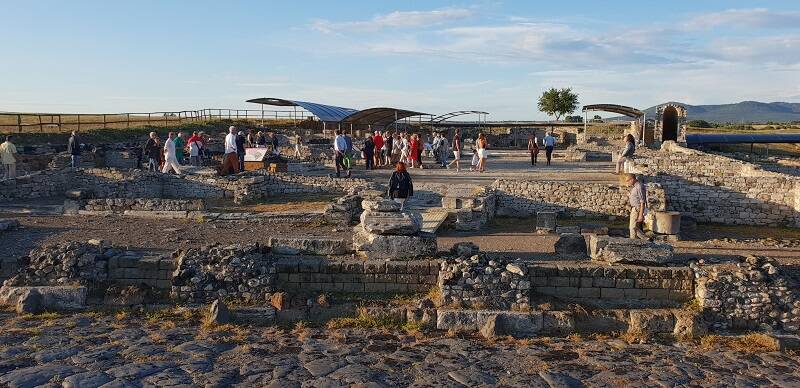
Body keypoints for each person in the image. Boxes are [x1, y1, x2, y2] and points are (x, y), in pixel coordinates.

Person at [623, 173, 648, 240]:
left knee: (632, 228)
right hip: (636, 209)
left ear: (632, 179)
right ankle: (645, 239)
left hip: (637, 209)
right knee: (636, 228)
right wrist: (630, 194)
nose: (627, 182)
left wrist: (640, 215)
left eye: (628, 180)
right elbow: (637, 197)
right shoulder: (636, 187)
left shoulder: (639, 187)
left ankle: (634, 243)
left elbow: (642, 201)